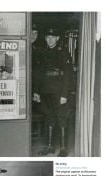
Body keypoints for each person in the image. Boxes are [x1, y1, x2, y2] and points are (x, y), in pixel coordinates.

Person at [33, 27, 73, 156]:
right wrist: (36, 92)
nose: (50, 39)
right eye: (47, 37)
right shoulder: (43, 52)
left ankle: (63, 148)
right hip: (45, 90)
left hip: (58, 90)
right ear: (45, 38)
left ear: (57, 38)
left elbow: (68, 75)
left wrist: (64, 94)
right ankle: (49, 146)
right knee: (48, 117)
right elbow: (39, 74)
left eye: (53, 37)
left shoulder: (63, 52)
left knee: (61, 118)